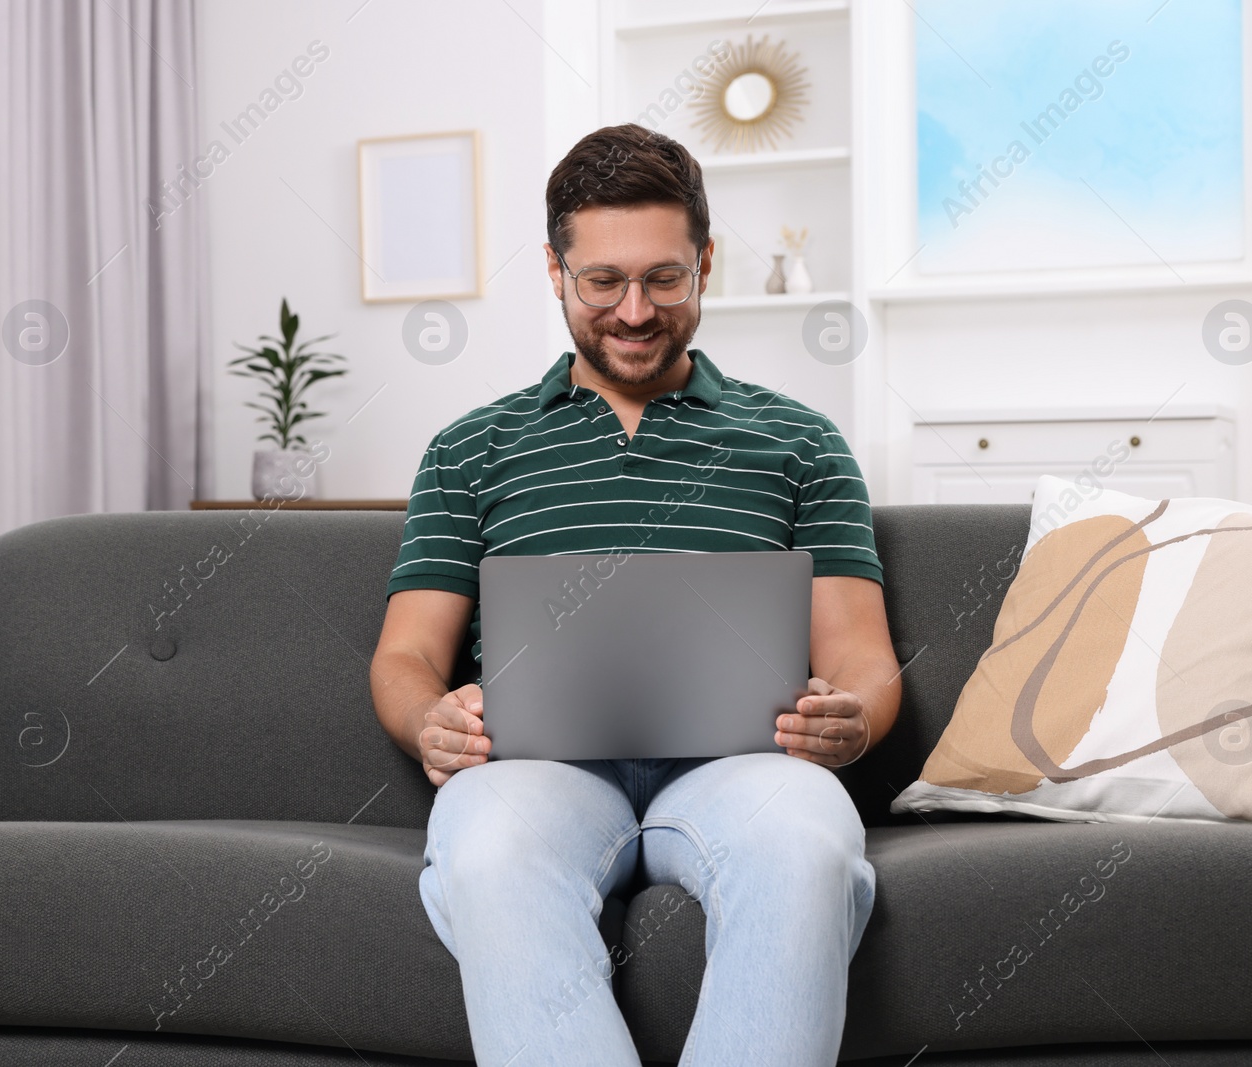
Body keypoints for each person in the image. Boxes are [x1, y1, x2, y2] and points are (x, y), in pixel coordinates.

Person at [369, 123, 902, 1067]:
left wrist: (853, 717)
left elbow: (860, 651)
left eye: (664, 278)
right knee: (487, 847)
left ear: (705, 263)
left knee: (809, 843)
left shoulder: (801, 442)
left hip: (741, 768)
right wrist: (429, 722)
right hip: (543, 772)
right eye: (603, 281)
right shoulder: (470, 449)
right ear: (554, 271)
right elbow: (406, 656)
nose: (634, 310)